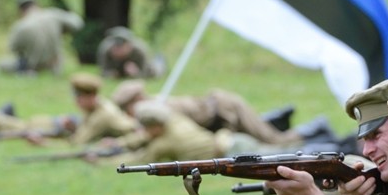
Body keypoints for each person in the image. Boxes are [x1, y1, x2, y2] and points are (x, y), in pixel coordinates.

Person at [110, 79, 338, 147]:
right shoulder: (154, 107)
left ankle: (316, 129)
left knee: (273, 141)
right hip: (218, 119)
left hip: (227, 110)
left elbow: (157, 136)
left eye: (127, 108)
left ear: (137, 101)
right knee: (263, 135)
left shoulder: (161, 110)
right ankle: (276, 119)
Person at [0, 0, 84, 75]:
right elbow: (78, 23)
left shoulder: (20, 25)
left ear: (20, 10)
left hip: (33, 67)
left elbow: (13, 48)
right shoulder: (54, 14)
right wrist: (63, 30)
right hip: (56, 66)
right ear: (37, 4)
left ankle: (29, 72)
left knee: (3, 64)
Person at [57, 73, 139, 145]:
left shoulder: (102, 115)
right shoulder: (96, 107)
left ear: (91, 96)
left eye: (79, 96)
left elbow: (78, 142)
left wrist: (47, 143)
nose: (76, 100)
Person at [96, 26, 163, 79]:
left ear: (129, 45)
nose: (118, 50)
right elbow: (102, 71)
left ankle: (159, 60)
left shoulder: (140, 50)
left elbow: (147, 73)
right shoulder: (105, 50)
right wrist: (110, 74)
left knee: (156, 71)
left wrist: (136, 73)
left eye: (121, 47)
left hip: (148, 67)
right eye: (116, 47)